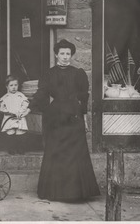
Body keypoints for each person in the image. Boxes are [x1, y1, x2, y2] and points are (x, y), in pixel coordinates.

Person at [29, 39, 100, 202]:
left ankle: (75, 193)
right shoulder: (49, 73)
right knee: (56, 152)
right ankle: (56, 192)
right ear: (56, 55)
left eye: (68, 54)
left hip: (74, 117)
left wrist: (85, 117)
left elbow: (84, 97)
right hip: (56, 117)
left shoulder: (78, 73)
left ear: (71, 55)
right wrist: (29, 107)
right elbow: (41, 93)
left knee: (75, 153)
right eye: (62, 53)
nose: (65, 57)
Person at [0, 75, 30, 155]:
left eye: (15, 85)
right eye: (11, 85)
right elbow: (2, 108)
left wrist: (21, 111)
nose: (14, 87)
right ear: (7, 86)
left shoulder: (21, 95)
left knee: (20, 132)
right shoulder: (5, 97)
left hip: (19, 117)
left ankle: (21, 149)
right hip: (10, 118)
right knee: (10, 132)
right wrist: (8, 112)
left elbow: (25, 104)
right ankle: (12, 149)